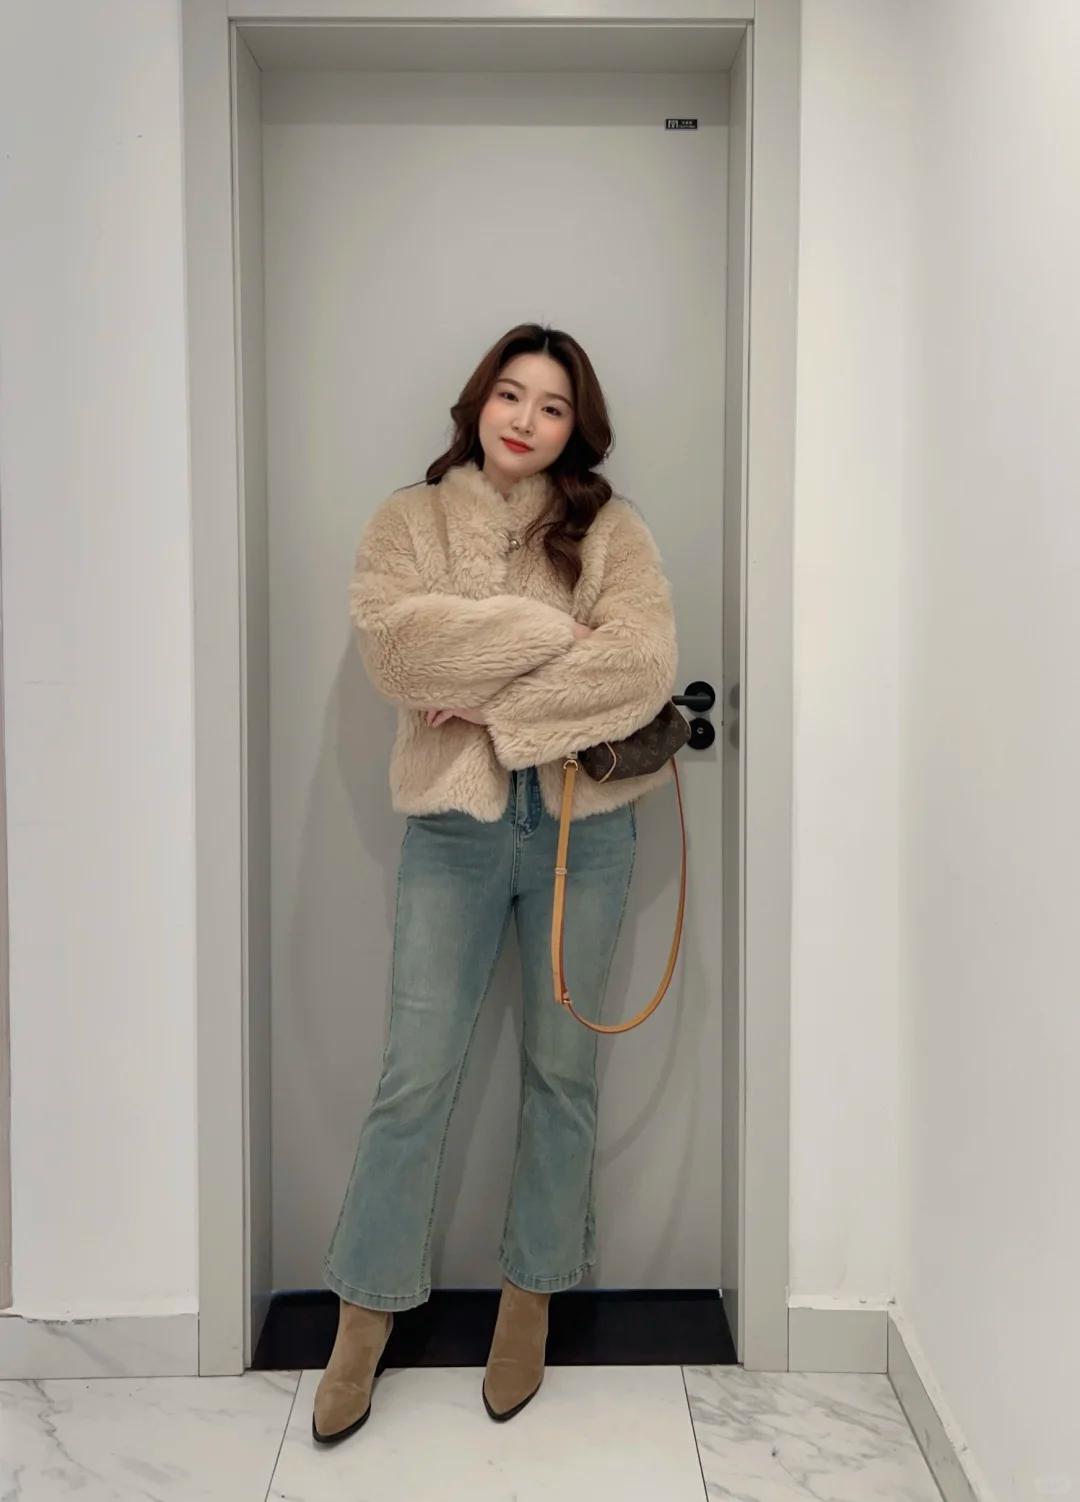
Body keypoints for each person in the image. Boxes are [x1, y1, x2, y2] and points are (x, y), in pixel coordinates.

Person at [312, 322, 679, 1444]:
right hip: (453, 832)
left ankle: (530, 1300)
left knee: (562, 1073)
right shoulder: (410, 522)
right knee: (414, 1076)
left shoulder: (610, 528)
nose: (525, 419)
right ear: (479, 402)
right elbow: (394, 650)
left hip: (585, 830)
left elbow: (643, 665)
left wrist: (488, 698)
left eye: (552, 405)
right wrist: (546, 632)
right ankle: (365, 1315)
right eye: (510, 394)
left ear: (577, 427)